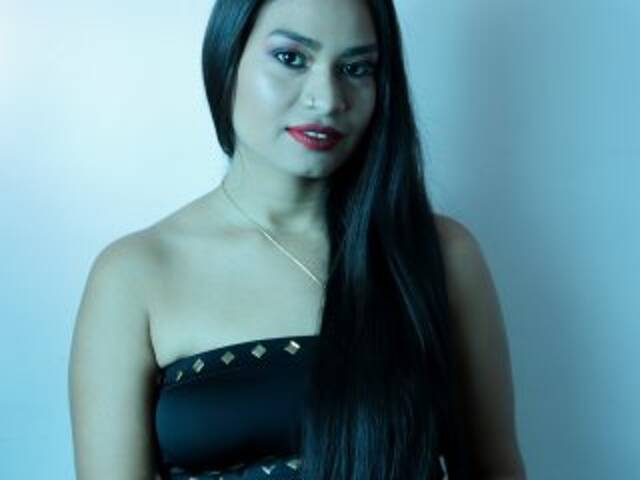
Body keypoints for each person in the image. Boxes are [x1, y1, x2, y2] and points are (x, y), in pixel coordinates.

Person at [68, 0, 528, 479]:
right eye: (291, 58)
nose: (327, 99)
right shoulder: (135, 273)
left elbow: (495, 467)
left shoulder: (442, 255)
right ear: (228, 56)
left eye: (356, 68)